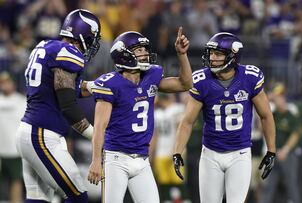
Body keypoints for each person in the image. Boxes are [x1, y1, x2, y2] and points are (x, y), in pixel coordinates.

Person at [87, 27, 192, 203]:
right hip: (116, 158)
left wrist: (182, 55)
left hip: (142, 160)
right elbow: (99, 127)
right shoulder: (110, 84)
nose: (144, 54)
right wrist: (96, 160)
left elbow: (185, 84)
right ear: (123, 55)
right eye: (139, 50)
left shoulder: (151, 76)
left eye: (144, 49)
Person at [172, 32, 276, 203]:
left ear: (233, 57)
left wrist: (271, 150)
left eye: (218, 54)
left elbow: (265, 115)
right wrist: (177, 151)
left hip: (239, 153)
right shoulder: (202, 80)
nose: (212, 57)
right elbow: (187, 121)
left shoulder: (250, 77)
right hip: (211, 154)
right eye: (211, 53)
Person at [15, 9, 101, 203]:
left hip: (29, 131)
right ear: (83, 35)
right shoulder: (69, 53)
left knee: (38, 198)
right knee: (78, 195)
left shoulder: (46, 46)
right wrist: (97, 136)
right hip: (42, 134)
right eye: (93, 37)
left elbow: (67, 87)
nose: (94, 43)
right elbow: (68, 106)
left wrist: (99, 86)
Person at [260, 85, 302, 203]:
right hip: (274, 154)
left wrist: (285, 149)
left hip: (287, 155)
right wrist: (265, 100)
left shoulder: (291, 113)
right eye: (277, 98)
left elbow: (296, 134)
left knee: (291, 184)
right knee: (269, 185)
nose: (280, 100)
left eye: (281, 97)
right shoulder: (272, 114)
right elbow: (260, 126)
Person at [0, 72, 26, 203]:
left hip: (15, 150)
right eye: (2, 82)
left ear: (13, 84)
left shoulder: (22, 102)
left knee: (16, 180)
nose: (5, 85)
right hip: (0, 149)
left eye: (7, 82)